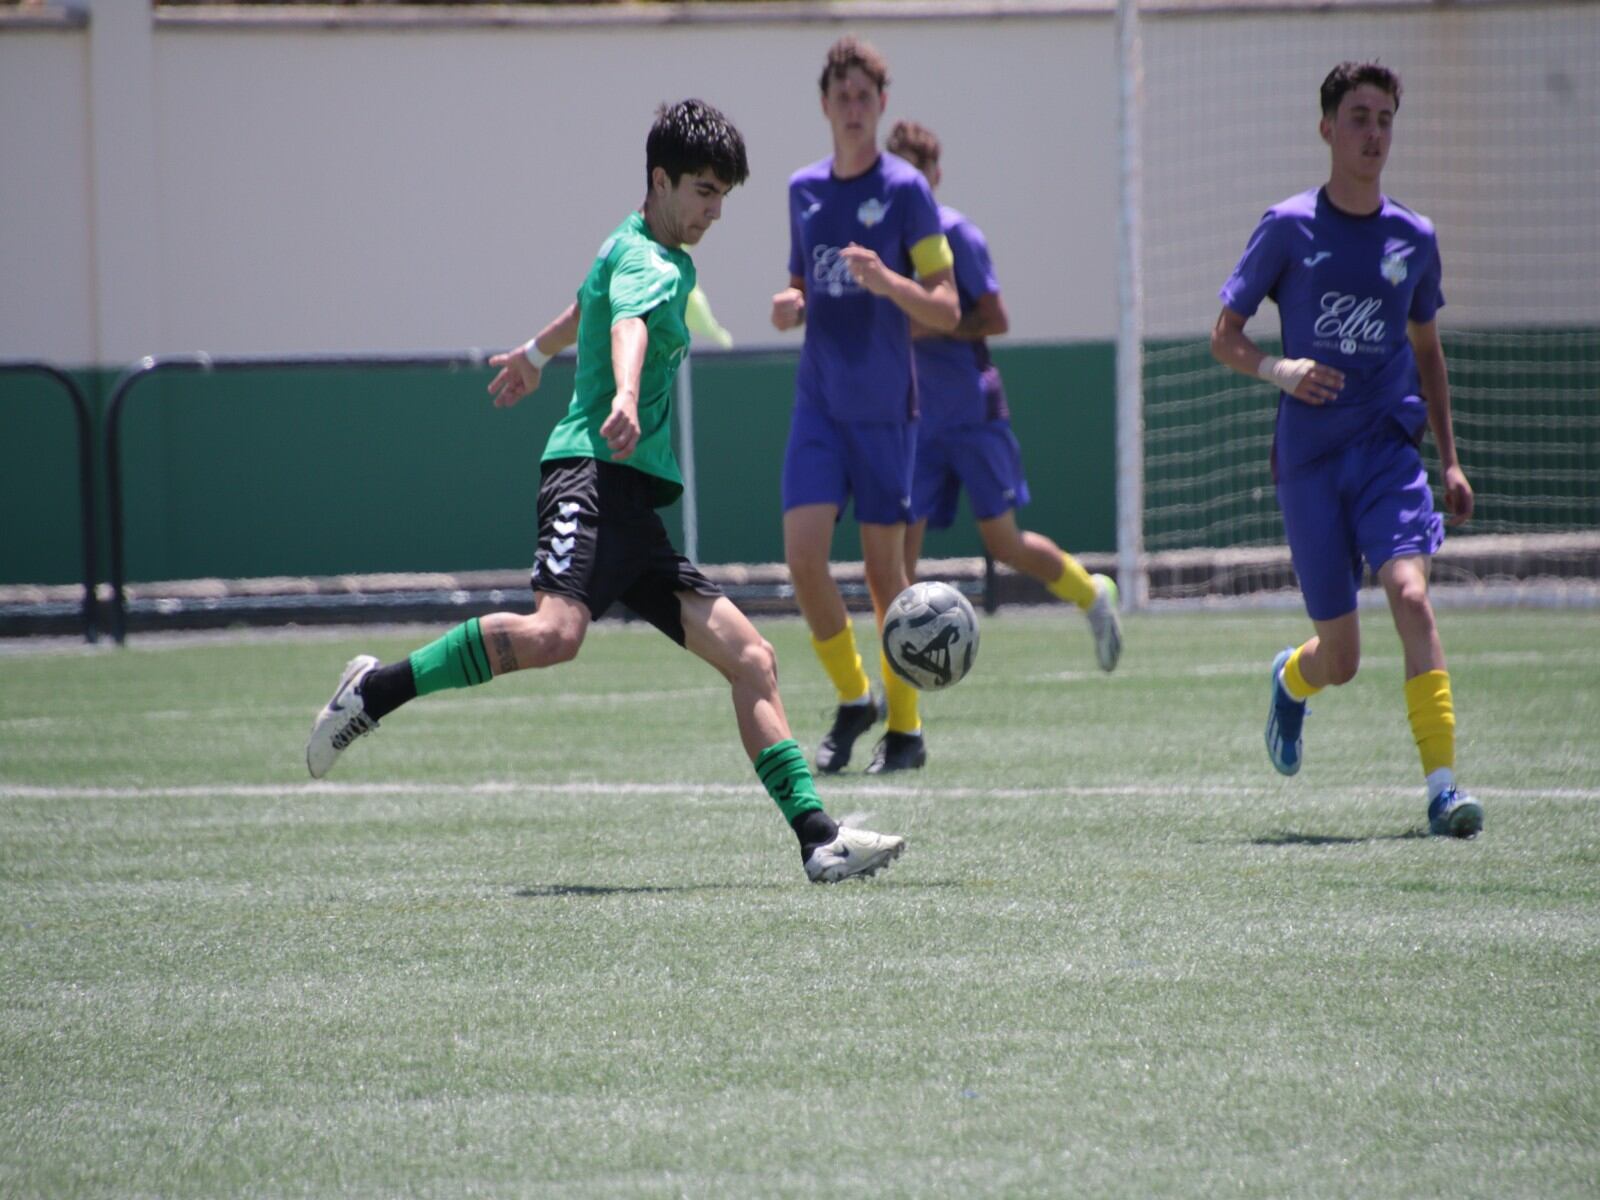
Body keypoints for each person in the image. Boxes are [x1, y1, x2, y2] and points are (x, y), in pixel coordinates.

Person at [305, 100, 906, 883]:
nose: (714, 211)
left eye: (723, 195)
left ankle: (817, 840)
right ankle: (373, 690)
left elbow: (588, 301)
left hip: (631, 508)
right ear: (660, 180)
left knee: (753, 658)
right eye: (701, 191)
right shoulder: (649, 262)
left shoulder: (630, 243)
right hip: (586, 475)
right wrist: (623, 396)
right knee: (556, 635)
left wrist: (534, 351)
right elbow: (626, 324)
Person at [1210, 62, 1482, 838]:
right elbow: (1223, 337)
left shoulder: (1415, 238)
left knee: (1412, 594)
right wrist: (1279, 368)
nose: (1373, 133)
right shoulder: (1288, 227)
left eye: (1385, 118)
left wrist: (1451, 459)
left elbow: (1427, 352)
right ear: (1327, 128)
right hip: (1309, 463)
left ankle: (1442, 790)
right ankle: (1292, 682)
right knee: (1343, 658)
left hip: (1388, 451)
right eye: (1359, 117)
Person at [770, 37, 960, 775]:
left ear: (882, 105)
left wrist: (889, 282)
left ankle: (905, 732)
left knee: (887, 576)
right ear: (824, 106)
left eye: (864, 96)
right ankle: (855, 698)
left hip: (886, 408)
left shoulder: (908, 190)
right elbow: (800, 283)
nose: (853, 108)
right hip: (819, 405)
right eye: (840, 96)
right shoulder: (803, 190)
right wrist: (790, 305)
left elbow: (946, 308)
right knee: (803, 560)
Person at [884, 119, 1123, 672]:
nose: (907, 183)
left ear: (935, 176)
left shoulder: (957, 236)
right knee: (898, 559)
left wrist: (927, 326)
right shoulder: (884, 245)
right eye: (898, 171)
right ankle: (901, 698)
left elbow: (996, 317)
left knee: (1005, 544)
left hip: (971, 411)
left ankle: (1091, 595)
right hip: (915, 419)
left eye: (917, 173)